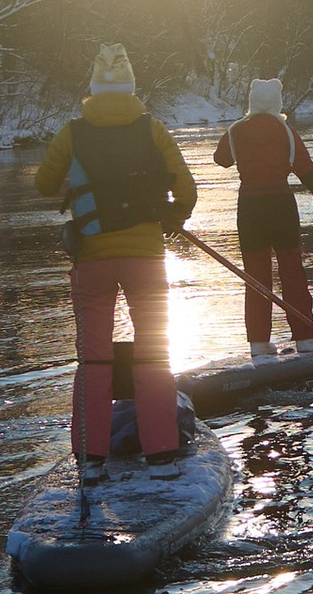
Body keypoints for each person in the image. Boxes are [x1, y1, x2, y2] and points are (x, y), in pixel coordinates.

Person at [33, 44, 200, 475]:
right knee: (152, 354)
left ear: (92, 88)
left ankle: (91, 459)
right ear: (131, 88)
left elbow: (44, 184)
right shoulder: (153, 129)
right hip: (145, 258)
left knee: (93, 359)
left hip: (92, 259)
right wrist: (172, 219)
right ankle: (161, 454)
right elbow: (187, 190)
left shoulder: (72, 132)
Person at [212, 75, 313, 354]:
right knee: (292, 271)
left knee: (255, 275)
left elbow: (221, 159)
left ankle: (259, 344)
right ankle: (305, 338)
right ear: (277, 101)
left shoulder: (237, 130)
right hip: (281, 204)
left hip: (250, 207)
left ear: (252, 100)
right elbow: (304, 166)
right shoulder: (285, 130)